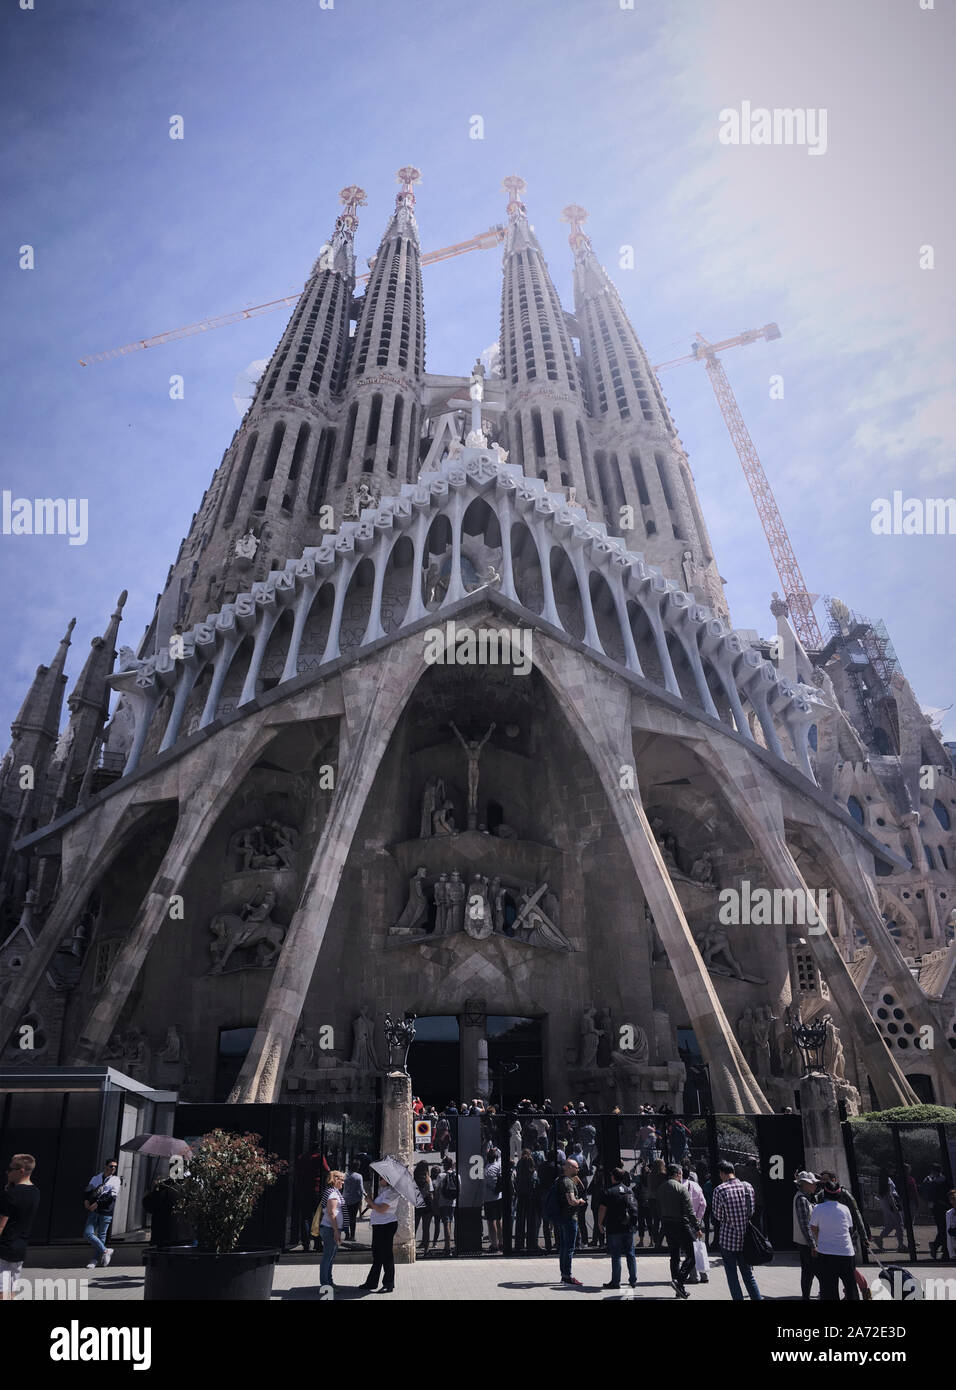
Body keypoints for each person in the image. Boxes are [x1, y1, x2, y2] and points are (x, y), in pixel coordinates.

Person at [711, 1161, 762, 1301]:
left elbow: (718, 1215)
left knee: (732, 1275)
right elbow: (751, 1211)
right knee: (748, 1275)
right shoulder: (747, 1187)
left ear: (722, 1173)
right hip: (746, 1238)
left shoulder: (720, 1190)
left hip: (728, 1238)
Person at [658, 1162, 702, 1299]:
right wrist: (697, 1227)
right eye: (681, 1174)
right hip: (681, 1224)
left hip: (667, 1224)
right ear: (677, 1174)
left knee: (674, 1256)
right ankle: (679, 1280)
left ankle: (679, 1288)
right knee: (692, 1255)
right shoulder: (681, 1188)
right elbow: (689, 1211)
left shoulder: (661, 1188)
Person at [810, 1184, 860, 1301]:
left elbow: (813, 1227)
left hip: (826, 1253)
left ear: (825, 1194)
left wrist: (819, 1240)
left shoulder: (818, 1208)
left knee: (828, 1289)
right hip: (846, 1252)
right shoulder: (845, 1208)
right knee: (850, 1286)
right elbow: (849, 1227)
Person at [0, 1154, 40, 1299]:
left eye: (11, 1168)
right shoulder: (36, 1192)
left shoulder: (11, 1194)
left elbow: (1, 1226)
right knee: (11, 1290)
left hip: (4, 1248)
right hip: (20, 1247)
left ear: (21, 1170)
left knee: (2, 1291)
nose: (7, 1171)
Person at [597, 1166, 639, 1289]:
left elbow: (602, 1209)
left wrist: (600, 1223)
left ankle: (616, 1282)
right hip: (628, 1227)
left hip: (614, 1228)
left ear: (613, 1177)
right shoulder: (629, 1190)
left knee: (616, 1255)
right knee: (630, 1254)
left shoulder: (609, 1192)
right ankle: (633, 1280)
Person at [816, 1170, 869, 1263]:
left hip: (846, 1235)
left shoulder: (844, 1194)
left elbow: (856, 1214)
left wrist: (864, 1236)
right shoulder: (820, 1196)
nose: (824, 1182)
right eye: (822, 1180)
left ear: (833, 1180)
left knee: (848, 1265)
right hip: (828, 1237)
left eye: (826, 1179)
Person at [361, 1180, 401, 1293]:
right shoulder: (383, 1191)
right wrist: (371, 1204)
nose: (379, 1180)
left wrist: (371, 1203)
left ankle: (388, 1284)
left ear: (387, 1180)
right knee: (377, 1254)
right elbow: (377, 1207)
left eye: (381, 1178)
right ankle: (372, 1282)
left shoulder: (392, 1193)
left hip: (387, 1225)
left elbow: (382, 1209)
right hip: (378, 1225)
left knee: (386, 1255)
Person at [553, 1158, 587, 1286]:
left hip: (562, 1218)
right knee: (569, 1248)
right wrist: (580, 1201)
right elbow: (571, 1200)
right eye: (576, 1167)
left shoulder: (560, 1180)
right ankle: (567, 1276)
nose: (578, 1169)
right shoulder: (567, 1183)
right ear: (569, 1168)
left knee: (564, 1247)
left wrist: (577, 1182)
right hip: (569, 1218)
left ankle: (564, 1274)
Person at [83, 1159, 121, 1269]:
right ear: (106, 1166)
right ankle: (105, 1251)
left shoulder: (116, 1180)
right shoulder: (96, 1178)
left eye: (115, 1167)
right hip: (94, 1210)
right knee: (88, 1233)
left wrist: (98, 1203)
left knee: (102, 1236)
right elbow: (88, 1191)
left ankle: (94, 1260)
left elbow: (112, 1196)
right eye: (111, 1166)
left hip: (106, 1211)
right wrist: (86, 1200)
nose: (113, 1168)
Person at [315, 1170, 348, 1289]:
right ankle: (325, 1284)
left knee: (330, 1256)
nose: (343, 1183)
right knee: (328, 1257)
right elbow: (332, 1213)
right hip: (330, 1229)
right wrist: (336, 1231)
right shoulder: (333, 1194)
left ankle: (329, 1281)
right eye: (341, 1180)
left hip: (330, 1228)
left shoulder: (332, 1192)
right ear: (335, 1180)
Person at [792, 1171, 820, 1300]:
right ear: (804, 1184)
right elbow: (805, 1225)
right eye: (812, 1183)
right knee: (814, 1271)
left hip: (805, 1242)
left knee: (808, 1272)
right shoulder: (802, 1199)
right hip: (807, 1243)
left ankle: (806, 1297)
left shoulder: (805, 1198)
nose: (815, 1185)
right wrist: (813, 1245)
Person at [682, 1167, 708, 1283]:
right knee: (699, 1249)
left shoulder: (679, 1187)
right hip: (696, 1221)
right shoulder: (697, 1186)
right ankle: (704, 1275)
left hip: (686, 1222)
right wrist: (698, 1218)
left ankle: (694, 1276)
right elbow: (703, 1204)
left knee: (690, 1251)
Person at [920, 1164, 950, 1260]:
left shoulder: (928, 1180)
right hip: (942, 1206)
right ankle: (943, 1250)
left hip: (936, 1207)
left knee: (943, 1228)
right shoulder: (942, 1180)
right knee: (944, 1228)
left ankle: (938, 1247)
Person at [514, 1149, 538, 1253]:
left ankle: (519, 1244)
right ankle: (531, 1243)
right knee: (531, 1220)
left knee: (520, 1220)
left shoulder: (519, 1165)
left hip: (521, 1194)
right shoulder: (532, 1168)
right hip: (530, 1195)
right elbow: (535, 1181)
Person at [874, 1170, 905, 1253]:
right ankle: (901, 1245)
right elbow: (890, 1194)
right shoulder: (888, 1180)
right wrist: (894, 1206)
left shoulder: (880, 1181)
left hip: (885, 1205)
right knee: (899, 1224)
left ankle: (879, 1239)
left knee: (890, 1225)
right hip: (891, 1204)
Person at [436, 1156, 459, 1256]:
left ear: (444, 1165)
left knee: (446, 1225)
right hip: (453, 1202)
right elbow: (460, 1189)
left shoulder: (441, 1176)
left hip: (443, 1203)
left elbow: (437, 1190)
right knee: (454, 1224)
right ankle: (456, 1245)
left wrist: (436, 1202)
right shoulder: (456, 1175)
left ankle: (447, 1247)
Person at [414, 1160, 437, 1256]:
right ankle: (426, 1251)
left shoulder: (414, 1178)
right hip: (427, 1204)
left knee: (414, 1228)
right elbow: (431, 1193)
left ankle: (413, 1248)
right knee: (426, 1228)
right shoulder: (428, 1179)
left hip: (417, 1203)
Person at [483, 1147, 503, 1252]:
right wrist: (496, 1149)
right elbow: (500, 1153)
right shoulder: (498, 1165)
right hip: (499, 1196)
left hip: (488, 1198)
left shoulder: (486, 1169)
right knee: (499, 1220)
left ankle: (494, 1244)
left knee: (491, 1222)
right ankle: (501, 1242)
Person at [343, 1165, 365, 1240]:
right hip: (355, 1199)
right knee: (353, 1218)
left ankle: (346, 1234)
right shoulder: (359, 1176)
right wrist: (364, 1196)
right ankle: (352, 1236)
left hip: (345, 1198)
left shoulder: (344, 1175)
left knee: (346, 1218)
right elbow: (361, 1188)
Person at [947, 1189, 956, 1260]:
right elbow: (948, 1235)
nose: (953, 1201)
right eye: (951, 1199)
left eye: (954, 1198)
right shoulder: (949, 1213)